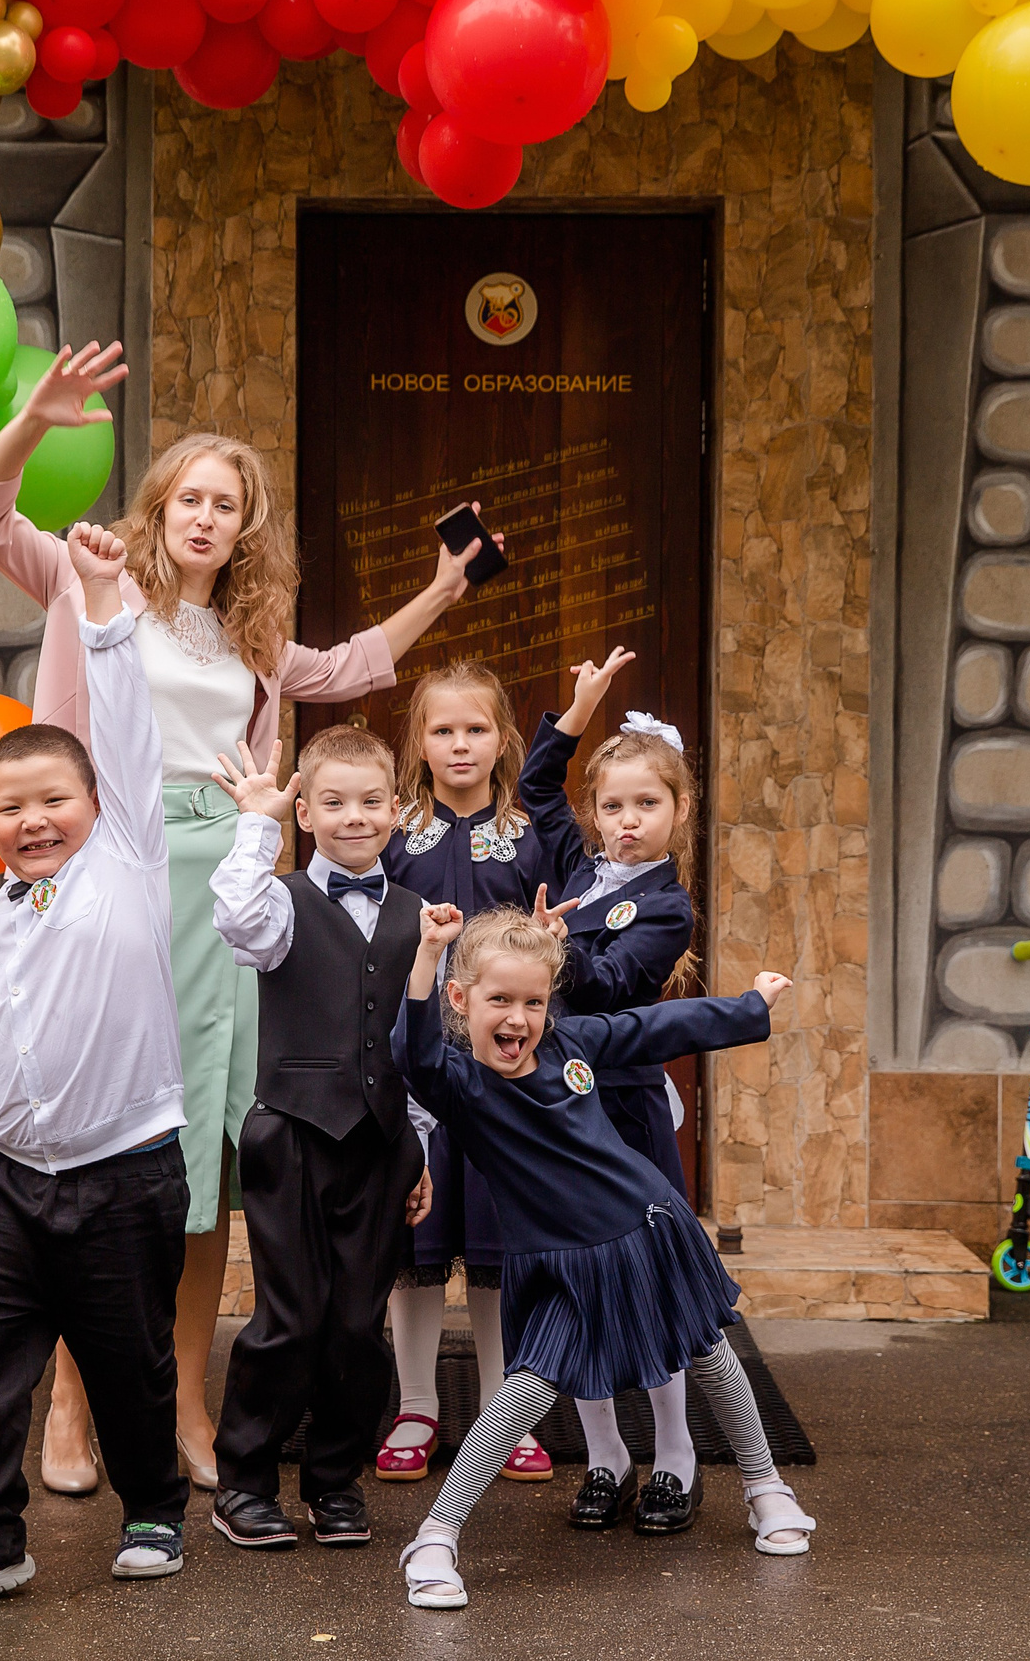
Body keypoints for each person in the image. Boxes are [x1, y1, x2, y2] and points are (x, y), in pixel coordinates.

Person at [0, 341, 497, 1492]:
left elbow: (350, 668)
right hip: (114, 867)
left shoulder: (248, 638)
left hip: (224, 882)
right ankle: (70, 1412)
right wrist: (38, 420)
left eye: (228, 504)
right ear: (160, 509)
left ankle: (186, 1406)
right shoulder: (89, 581)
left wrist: (446, 589)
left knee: (206, 1142)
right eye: (190, 496)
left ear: (243, 529)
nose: (206, 517)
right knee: (98, 1136)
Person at [0, 522, 192, 1619]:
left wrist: (104, 600)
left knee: (128, 1366)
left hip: (124, 1174)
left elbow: (118, 730)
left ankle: (155, 1509)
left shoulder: (129, 860)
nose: (32, 820)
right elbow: (11, 1029)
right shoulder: (14, 916)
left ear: (96, 806)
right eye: (9, 808)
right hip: (14, 1179)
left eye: (51, 801)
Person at [389, 905, 816, 1610]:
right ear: (461, 1001)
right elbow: (413, 1055)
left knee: (708, 1351)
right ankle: (435, 1536)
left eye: (533, 1000)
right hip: (559, 1263)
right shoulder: (460, 1081)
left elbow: (660, 1027)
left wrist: (752, 1005)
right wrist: (428, 953)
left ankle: (768, 1489)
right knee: (525, 1390)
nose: (519, 1018)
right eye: (500, 1000)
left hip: (645, 1229)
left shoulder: (574, 1042)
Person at [201, 725, 433, 1551]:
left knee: (355, 1322)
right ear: (306, 810)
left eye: (371, 801)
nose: (354, 816)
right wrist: (257, 826)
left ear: (397, 810)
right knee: (289, 1317)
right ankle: (244, 1483)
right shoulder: (281, 901)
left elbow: (423, 1039)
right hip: (292, 1135)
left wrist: (420, 1148)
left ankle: (335, 1480)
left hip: (379, 1144)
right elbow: (234, 921)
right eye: (332, 802)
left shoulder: (418, 915)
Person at [519, 646, 713, 1536]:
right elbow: (535, 782)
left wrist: (554, 945)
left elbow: (604, 986)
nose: (627, 821)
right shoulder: (578, 860)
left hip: (623, 1106)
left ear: (679, 812)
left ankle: (676, 1454)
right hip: (556, 1107)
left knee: (646, 1278)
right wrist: (579, 708)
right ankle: (605, 1455)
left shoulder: (665, 906)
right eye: (614, 805)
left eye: (647, 804)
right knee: (573, 1276)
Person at [377, 661, 557, 1486]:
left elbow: (558, 942)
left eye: (475, 729)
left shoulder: (529, 832)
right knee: (416, 1242)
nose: (459, 743)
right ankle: (415, 1403)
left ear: (503, 739)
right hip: (413, 1064)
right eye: (442, 729)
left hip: (502, 1072)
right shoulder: (391, 829)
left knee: (495, 1244)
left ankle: (502, 1405)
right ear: (419, 739)